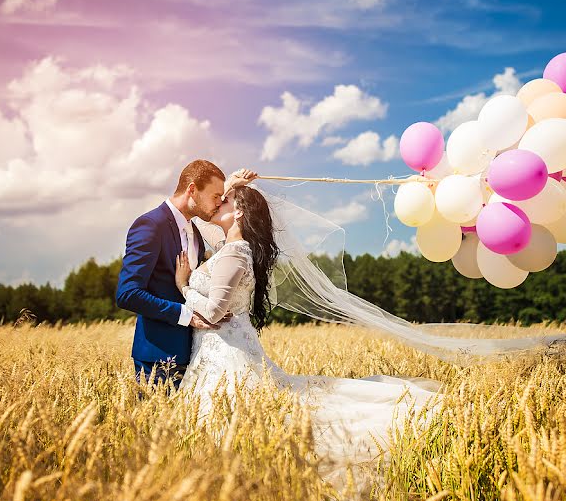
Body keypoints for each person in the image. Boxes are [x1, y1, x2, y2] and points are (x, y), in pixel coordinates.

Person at [174, 185, 444, 484]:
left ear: (238, 211)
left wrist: (183, 285)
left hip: (226, 351)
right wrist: (234, 183)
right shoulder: (231, 248)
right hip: (221, 346)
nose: (215, 205)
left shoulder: (234, 254)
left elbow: (212, 312)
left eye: (223, 200)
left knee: (239, 419)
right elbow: (200, 214)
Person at [115, 160, 257, 389]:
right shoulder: (151, 225)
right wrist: (187, 316)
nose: (219, 202)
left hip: (198, 357)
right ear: (192, 190)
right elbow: (127, 294)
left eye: (223, 198)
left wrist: (232, 184)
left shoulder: (196, 233)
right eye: (215, 196)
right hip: (160, 356)